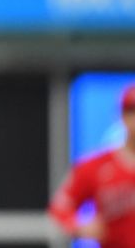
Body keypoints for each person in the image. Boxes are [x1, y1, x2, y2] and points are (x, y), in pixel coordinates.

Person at [49, 84, 135, 248]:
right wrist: (79, 226)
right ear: (123, 117)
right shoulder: (96, 166)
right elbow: (60, 208)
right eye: (133, 111)